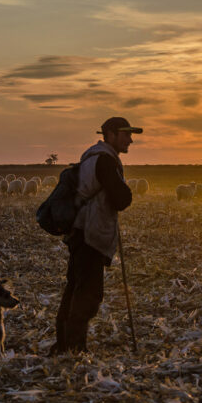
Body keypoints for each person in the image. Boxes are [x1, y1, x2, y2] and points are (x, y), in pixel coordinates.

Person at [50, 116, 142, 355]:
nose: (130, 140)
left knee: (76, 287)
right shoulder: (104, 160)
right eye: (126, 134)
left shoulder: (92, 156)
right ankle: (74, 348)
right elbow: (122, 199)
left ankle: (63, 345)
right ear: (111, 135)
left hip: (81, 232)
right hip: (90, 234)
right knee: (88, 293)